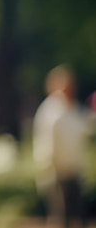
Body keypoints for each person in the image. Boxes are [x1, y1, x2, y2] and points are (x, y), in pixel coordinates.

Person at [32, 65, 92, 228]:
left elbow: (85, 128)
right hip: (57, 174)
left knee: (76, 217)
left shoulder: (72, 108)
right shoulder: (50, 111)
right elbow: (46, 146)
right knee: (61, 218)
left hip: (73, 171)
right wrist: (49, 170)